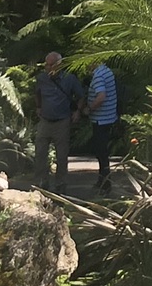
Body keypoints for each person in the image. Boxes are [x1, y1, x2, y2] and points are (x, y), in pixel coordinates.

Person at [36, 50, 83, 185]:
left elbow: (81, 96)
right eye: (46, 65)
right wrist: (38, 107)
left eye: (51, 65)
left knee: (61, 155)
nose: (48, 68)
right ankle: (41, 182)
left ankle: (60, 184)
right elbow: (37, 93)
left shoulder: (69, 79)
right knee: (40, 153)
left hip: (62, 121)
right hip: (45, 120)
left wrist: (77, 111)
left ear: (59, 65)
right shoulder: (42, 78)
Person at [84, 58, 120, 194]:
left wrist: (89, 108)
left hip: (101, 119)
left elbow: (101, 96)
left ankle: (105, 183)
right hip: (108, 117)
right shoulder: (106, 71)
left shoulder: (98, 75)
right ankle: (102, 180)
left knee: (101, 153)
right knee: (102, 152)